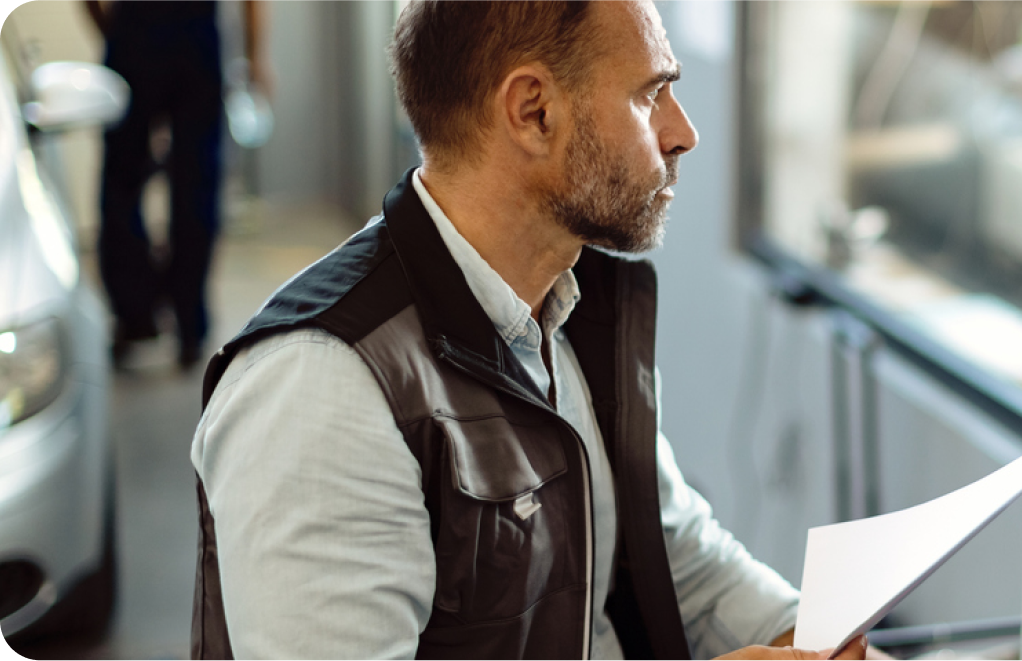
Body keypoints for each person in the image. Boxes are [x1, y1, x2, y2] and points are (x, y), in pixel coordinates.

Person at [190, 1, 889, 659]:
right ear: (534, 111)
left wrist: (819, 641)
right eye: (650, 95)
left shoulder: (573, 308)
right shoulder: (321, 389)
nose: (682, 132)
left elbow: (680, 560)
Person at [84, 0, 268, 368]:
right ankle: (189, 323)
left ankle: (135, 314)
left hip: (134, 28)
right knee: (196, 182)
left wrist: (111, 29)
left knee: (122, 181)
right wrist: (255, 56)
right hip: (195, 33)